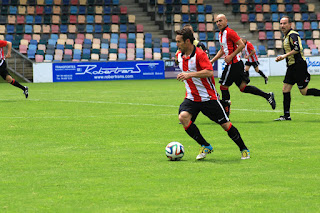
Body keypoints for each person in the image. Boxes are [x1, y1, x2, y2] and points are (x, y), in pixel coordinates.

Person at [175, 28, 250, 160]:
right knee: (183, 117)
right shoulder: (179, 55)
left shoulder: (199, 54)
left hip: (208, 98)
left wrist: (189, 74)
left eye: (179, 42)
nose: (177, 45)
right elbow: (180, 62)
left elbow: (209, 72)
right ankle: (205, 145)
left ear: (187, 41)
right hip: (192, 98)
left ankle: (244, 149)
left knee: (226, 125)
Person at [210, 14, 276, 115]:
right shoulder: (220, 34)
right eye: (217, 22)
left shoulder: (230, 32)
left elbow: (241, 45)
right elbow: (222, 50)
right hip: (235, 64)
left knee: (223, 86)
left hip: (233, 64)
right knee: (243, 88)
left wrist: (231, 56)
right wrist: (212, 61)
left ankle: (225, 114)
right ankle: (268, 96)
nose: (218, 23)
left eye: (220, 21)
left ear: (226, 21)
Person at [274, 16, 320, 121]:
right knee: (285, 89)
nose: (282, 26)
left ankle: (286, 115)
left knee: (303, 91)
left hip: (299, 66)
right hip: (291, 66)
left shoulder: (293, 35)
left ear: (290, 24)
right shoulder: (285, 37)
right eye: (281, 24)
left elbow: (298, 48)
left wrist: (284, 56)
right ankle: (286, 116)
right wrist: (283, 57)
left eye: (284, 23)